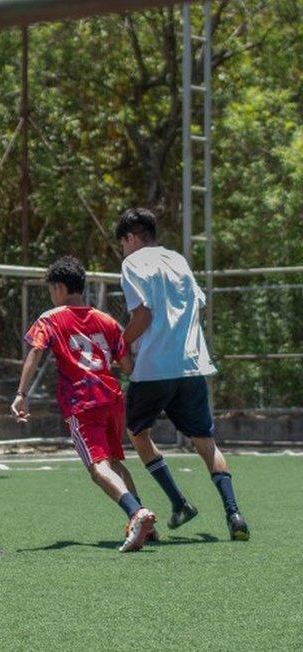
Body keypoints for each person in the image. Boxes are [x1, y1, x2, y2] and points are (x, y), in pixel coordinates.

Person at [116, 207, 249, 540]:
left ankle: (179, 503)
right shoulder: (177, 259)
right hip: (192, 365)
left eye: (123, 243)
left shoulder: (132, 264)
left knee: (137, 432)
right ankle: (234, 514)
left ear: (131, 238)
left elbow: (143, 315)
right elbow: (197, 304)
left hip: (153, 368)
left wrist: (119, 344)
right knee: (206, 443)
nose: (123, 250)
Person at [11, 256, 155, 552]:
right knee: (114, 462)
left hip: (82, 399)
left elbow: (35, 353)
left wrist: (22, 394)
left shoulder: (50, 318)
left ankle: (135, 512)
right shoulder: (107, 320)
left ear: (60, 287)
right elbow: (126, 364)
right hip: (112, 396)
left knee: (97, 467)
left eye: (52, 289)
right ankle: (144, 525)